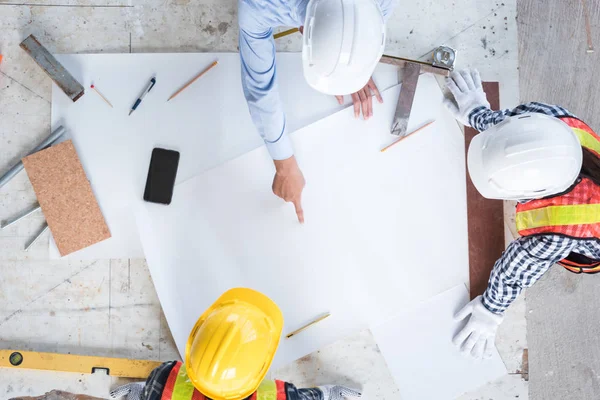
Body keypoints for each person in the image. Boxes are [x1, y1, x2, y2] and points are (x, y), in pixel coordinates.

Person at [444, 68, 600, 359]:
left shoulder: (559, 232)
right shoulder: (552, 120)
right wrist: (477, 114)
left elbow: (516, 270)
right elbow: (514, 128)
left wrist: (491, 310)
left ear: (534, 193)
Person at [239, 0, 396, 223]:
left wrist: (353, 60)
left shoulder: (381, 6)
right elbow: (260, 89)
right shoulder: (263, 5)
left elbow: (361, 23)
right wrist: (284, 166)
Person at [110, 288, 362, 400]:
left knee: (152, 394)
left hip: (157, 393)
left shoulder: (163, 377)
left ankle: (139, 395)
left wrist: (149, 393)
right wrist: (323, 395)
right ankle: (332, 395)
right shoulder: (280, 397)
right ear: (260, 371)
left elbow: (158, 389)